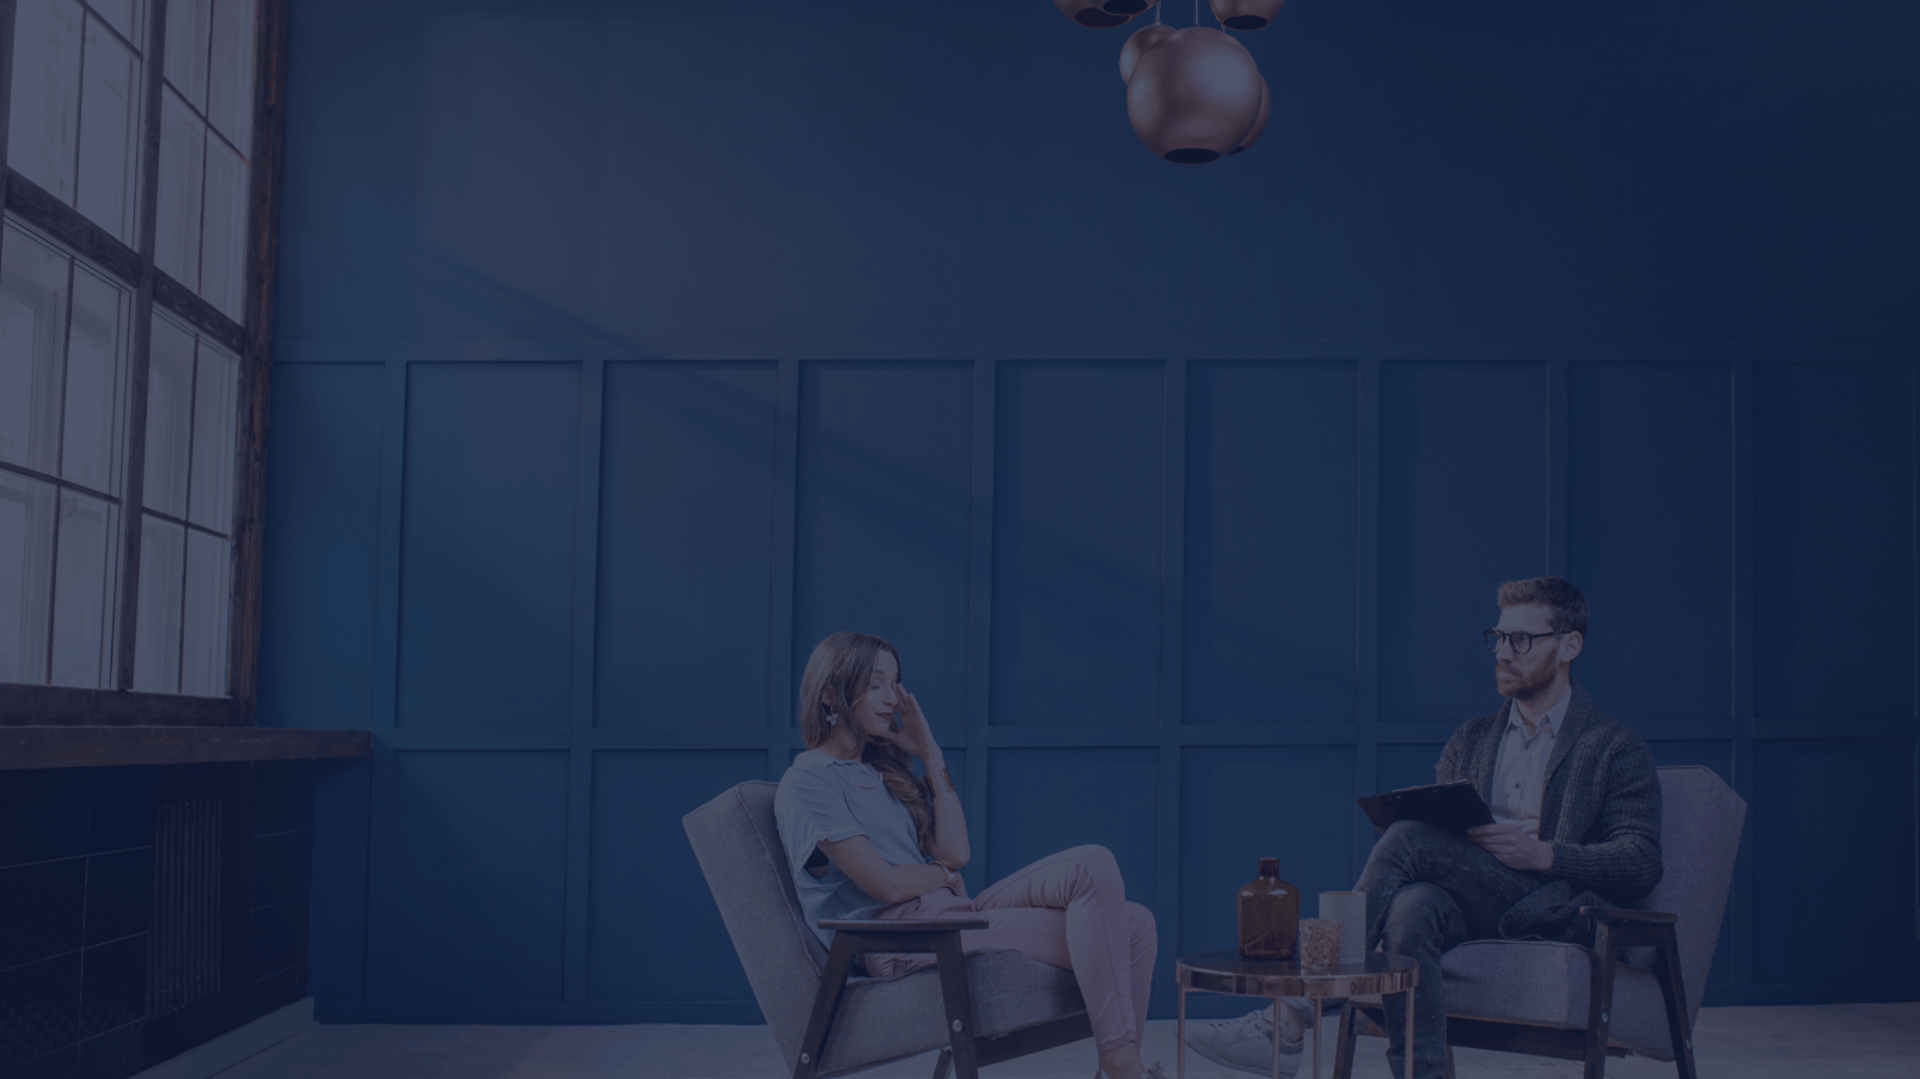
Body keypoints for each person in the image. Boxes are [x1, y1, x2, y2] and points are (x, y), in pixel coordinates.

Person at [1185, 578, 1663, 1079]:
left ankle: (1290, 1016)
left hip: (1554, 906)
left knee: (1410, 836)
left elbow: (1643, 860)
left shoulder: (1614, 746)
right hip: (1471, 905)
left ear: (1569, 646)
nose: (1502, 653)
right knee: (1412, 904)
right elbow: (1441, 851)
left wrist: (1543, 854)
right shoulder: (1473, 738)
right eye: (1497, 638)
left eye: (1520, 640)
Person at [776, 631, 1164, 1079]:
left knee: (1123, 906)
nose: (891, 698)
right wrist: (940, 875)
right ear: (829, 692)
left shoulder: (877, 772)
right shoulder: (808, 782)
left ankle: (1117, 1065)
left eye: (895, 682)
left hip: (952, 911)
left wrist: (929, 751)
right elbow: (885, 885)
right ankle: (1122, 1065)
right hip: (901, 935)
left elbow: (958, 851)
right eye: (876, 682)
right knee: (1124, 930)